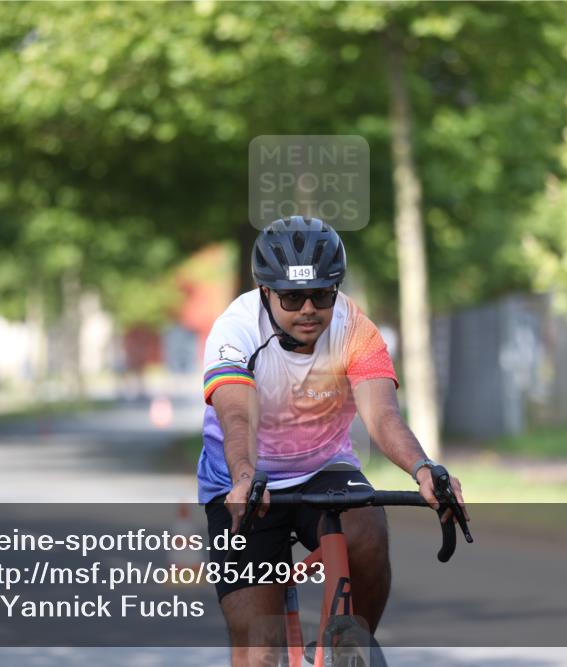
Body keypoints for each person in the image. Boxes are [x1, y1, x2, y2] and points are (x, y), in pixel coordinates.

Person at [198, 216, 466, 666]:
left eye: (321, 294)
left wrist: (424, 469)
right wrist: (244, 475)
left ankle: (349, 647)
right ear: (266, 291)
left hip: (325, 466)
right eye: (292, 296)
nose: (308, 308)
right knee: (258, 653)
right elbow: (236, 413)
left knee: (367, 531)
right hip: (244, 479)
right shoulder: (235, 329)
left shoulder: (355, 329)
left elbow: (381, 415)